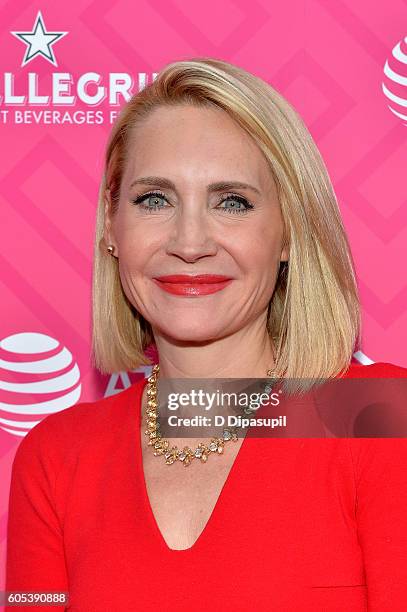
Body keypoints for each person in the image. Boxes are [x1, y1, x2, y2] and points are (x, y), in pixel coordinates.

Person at [5, 57, 407, 611]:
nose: (190, 243)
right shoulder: (56, 458)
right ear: (110, 227)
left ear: (288, 233)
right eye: (155, 200)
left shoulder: (378, 419)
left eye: (232, 202)